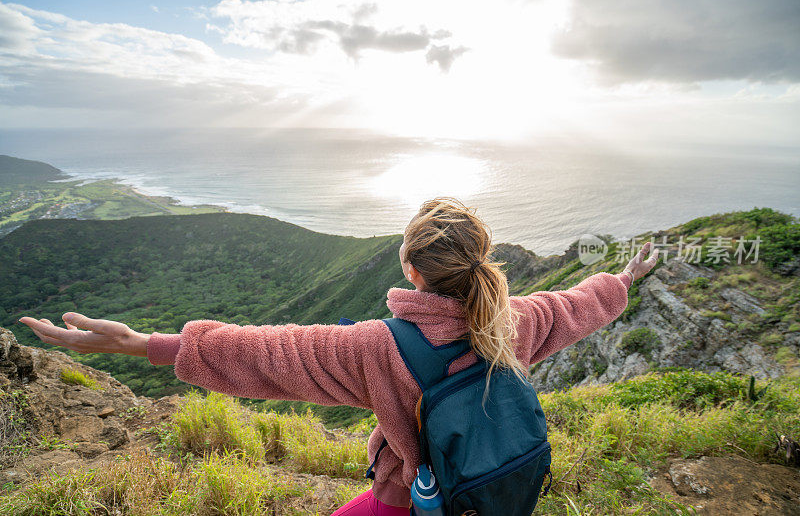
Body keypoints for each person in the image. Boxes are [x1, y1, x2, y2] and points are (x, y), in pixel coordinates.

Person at [19, 197, 659, 515]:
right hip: (491, 488)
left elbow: (269, 355)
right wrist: (624, 281)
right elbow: (577, 305)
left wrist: (141, 344)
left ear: (409, 266)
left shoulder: (379, 349)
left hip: (415, 497)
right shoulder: (512, 324)